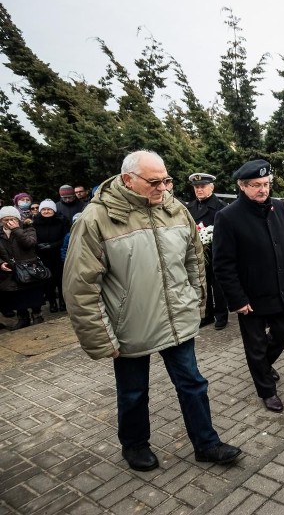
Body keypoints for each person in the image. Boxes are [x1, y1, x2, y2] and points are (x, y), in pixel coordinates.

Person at [63, 150, 242, 472]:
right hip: (130, 325)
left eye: (167, 180)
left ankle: (207, 443)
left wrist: (195, 301)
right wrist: (101, 338)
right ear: (128, 180)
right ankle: (134, 445)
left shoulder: (174, 209)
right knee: (133, 392)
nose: (164, 188)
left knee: (193, 383)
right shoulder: (96, 219)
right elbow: (80, 286)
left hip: (176, 319)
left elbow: (193, 259)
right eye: (155, 182)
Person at [213, 159, 284, 413]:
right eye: (256, 185)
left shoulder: (277, 206)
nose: (263, 190)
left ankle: (263, 367)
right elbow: (223, 265)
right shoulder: (228, 217)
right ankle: (266, 390)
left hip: (280, 289)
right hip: (251, 297)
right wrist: (237, 299)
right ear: (242, 186)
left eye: (266, 184)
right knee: (254, 346)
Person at [185, 172, 229, 329]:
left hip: (217, 253)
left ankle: (221, 315)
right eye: (196, 187)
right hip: (198, 254)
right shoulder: (189, 208)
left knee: (218, 286)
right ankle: (207, 314)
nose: (199, 190)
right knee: (203, 284)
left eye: (202, 186)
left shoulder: (221, 208)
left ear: (212, 187)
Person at [0, 206, 46, 329]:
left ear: (18, 219)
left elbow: (29, 243)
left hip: (29, 267)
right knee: (17, 294)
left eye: (12, 219)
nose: (9, 221)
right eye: (6, 219)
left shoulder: (28, 228)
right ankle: (23, 318)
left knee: (32, 292)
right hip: (11, 269)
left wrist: (16, 230)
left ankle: (37, 315)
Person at [32, 199, 70, 312]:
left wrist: (52, 245)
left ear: (54, 210)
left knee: (61, 279)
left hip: (58, 255)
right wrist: (38, 245)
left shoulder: (61, 221)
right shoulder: (35, 222)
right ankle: (52, 302)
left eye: (49, 209)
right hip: (43, 256)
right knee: (48, 280)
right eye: (44, 209)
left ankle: (63, 301)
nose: (46, 211)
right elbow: (32, 237)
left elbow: (66, 238)